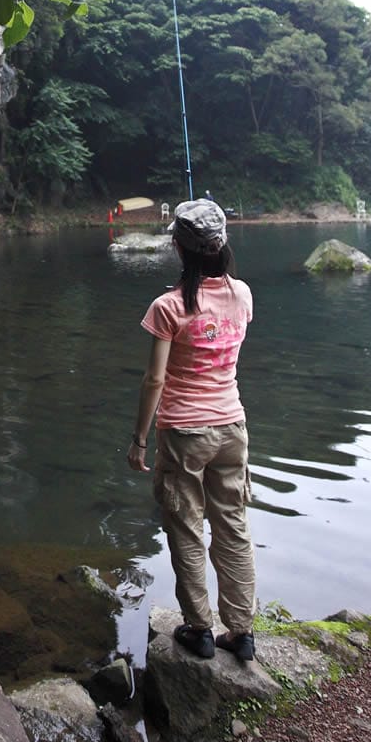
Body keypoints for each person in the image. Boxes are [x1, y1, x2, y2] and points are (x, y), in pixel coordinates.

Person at [127, 198, 256, 662]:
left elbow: (155, 379)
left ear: (180, 249)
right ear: (221, 246)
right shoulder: (242, 294)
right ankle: (241, 633)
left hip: (183, 433)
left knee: (185, 526)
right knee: (233, 527)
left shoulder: (168, 306)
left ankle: (199, 628)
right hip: (232, 427)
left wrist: (140, 438)